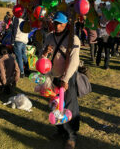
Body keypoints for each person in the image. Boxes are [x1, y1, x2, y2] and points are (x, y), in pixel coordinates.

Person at [41, 11, 80, 149]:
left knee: (69, 106)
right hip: (54, 76)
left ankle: (71, 136)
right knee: (55, 105)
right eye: (55, 23)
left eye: (60, 24)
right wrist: (45, 53)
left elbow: (74, 61)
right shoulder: (49, 37)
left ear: (66, 24)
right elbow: (42, 56)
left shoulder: (73, 39)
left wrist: (66, 78)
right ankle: (60, 131)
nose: (57, 26)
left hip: (67, 78)